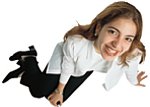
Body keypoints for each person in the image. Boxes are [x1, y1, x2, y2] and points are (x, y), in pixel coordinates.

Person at [2, 1, 148, 107]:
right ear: (98, 28)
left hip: (86, 65)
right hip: (68, 57)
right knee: (39, 91)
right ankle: (29, 59)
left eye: (127, 38)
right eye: (112, 32)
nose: (117, 45)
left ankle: (24, 71)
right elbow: (68, 66)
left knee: (56, 98)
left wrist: (134, 80)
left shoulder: (131, 51)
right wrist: (59, 90)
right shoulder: (76, 44)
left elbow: (129, 66)